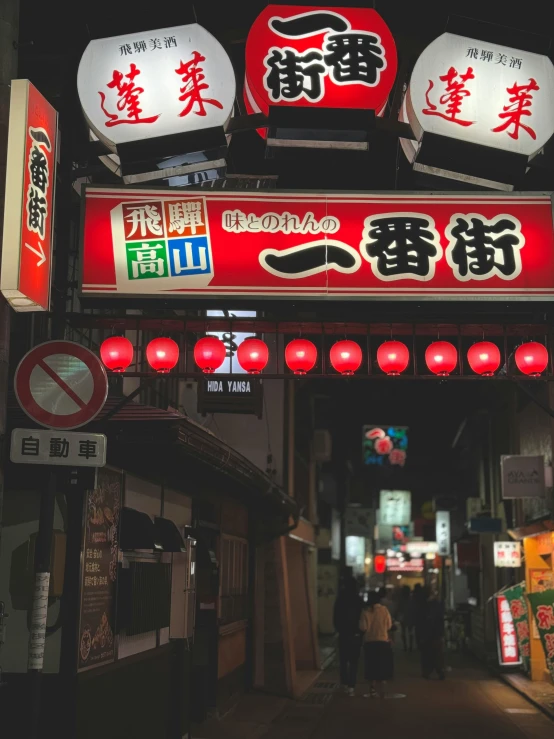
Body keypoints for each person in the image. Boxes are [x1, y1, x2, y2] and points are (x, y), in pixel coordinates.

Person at [359, 590, 393, 699]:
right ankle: (383, 688)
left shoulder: (365, 611)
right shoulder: (384, 610)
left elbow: (363, 627)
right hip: (383, 641)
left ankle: (372, 689)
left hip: (370, 642)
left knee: (371, 666)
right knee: (383, 665)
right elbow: (389, 625)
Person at [333, 575, 363, 696]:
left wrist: (339, 629)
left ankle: (344, 683)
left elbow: (335, 617)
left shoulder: (340, 599)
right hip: (355, 634)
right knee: (354, 661)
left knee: (343, 660)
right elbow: (362, 617)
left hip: (343, 633)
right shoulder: (358, 599)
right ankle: (352, 686)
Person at [419, 587, 445, 680]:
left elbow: (420, 621)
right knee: (437, 653)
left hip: (426, 633)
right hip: (436, 632)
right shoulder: (437, 604)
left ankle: (427, 671)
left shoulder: (422, 605)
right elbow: (440, 619)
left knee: (427, 653)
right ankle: (440, 670)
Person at [397, 585, 415, 651]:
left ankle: (405, 646)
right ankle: (410, 646)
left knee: (403, 631)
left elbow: (399, 608)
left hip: (403, 616)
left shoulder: (401, 599)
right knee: (410, 632)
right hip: (410, 616)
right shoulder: (411, 599)